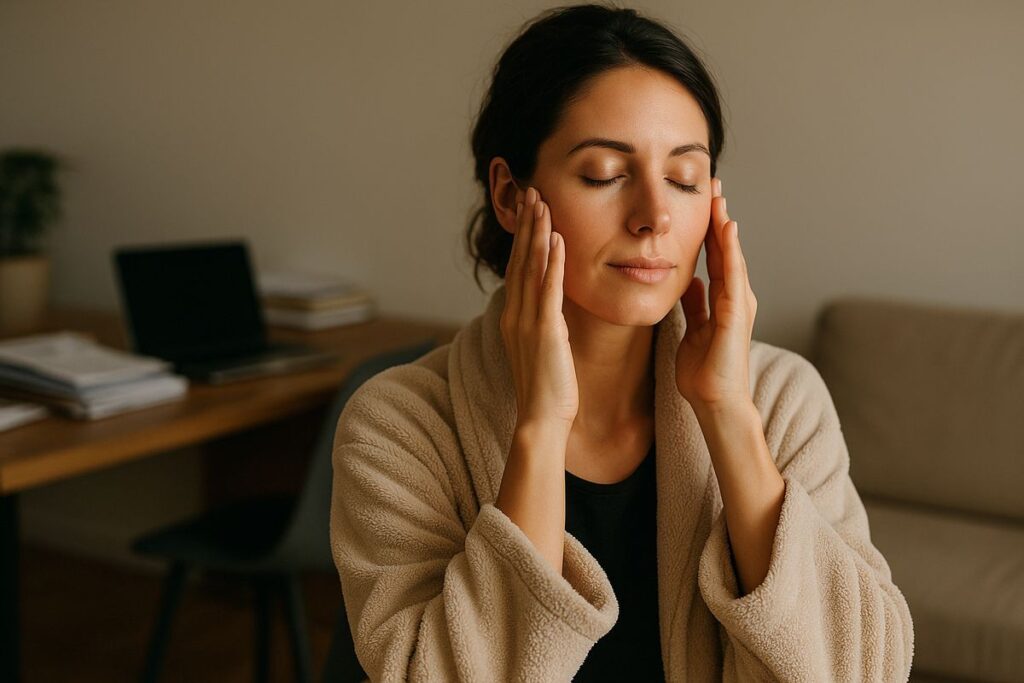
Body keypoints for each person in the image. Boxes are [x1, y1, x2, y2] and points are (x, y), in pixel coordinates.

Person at [330, 4, 914, 681]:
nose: (654, 216)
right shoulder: (398, 426)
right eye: (605, 173)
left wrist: (729, 414)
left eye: (684, 179)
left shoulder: (782, 399)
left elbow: (861, 670)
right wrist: (539, 427)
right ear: (511, 195)